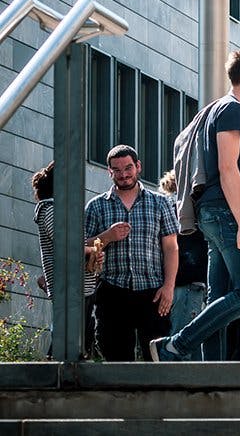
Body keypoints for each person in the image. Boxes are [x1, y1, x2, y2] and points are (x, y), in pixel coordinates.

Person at [151, 49, 240, 362]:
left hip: (213, 214)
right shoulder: (232, 110)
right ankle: (175, 345)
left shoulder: (215, 110)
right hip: (225, 213)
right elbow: (228, 168)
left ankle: (211, 370)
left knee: (218, 298)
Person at [85, 145, 179, 361]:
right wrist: (107, 236)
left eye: (128, 168)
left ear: (138, 167)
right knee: (115, 358)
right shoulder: (96, 206)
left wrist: (169, 287)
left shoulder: (160, 202)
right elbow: (81, 246)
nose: (123, 174)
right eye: (117, 170)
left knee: (156, 360)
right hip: (112, 291)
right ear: (109, 172)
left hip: (153, 291)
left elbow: (171, 247)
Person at [33, 162, 100, 357]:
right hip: (70, 288)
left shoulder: (60, 209)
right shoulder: (51, 209)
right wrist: (91, 251)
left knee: (80, 343)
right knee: (68, 346)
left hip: (80, 287)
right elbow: (67, 244)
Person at [158, 171, 208, 341]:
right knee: (184, 342)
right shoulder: (187, 209)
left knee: (180, 337)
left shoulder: (169, 206)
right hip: (188, 281)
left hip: (178, 283)